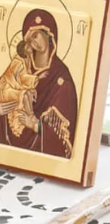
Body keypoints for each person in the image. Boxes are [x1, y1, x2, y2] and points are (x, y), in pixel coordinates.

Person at [0, 9, 78, 158]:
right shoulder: (19, 65)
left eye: (36, 35)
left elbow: (65, 134)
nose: (32, 41)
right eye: (28, 38)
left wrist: (35, 125)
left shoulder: (61, 79)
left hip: (39, 154)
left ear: (50, 36)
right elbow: (4, 88)